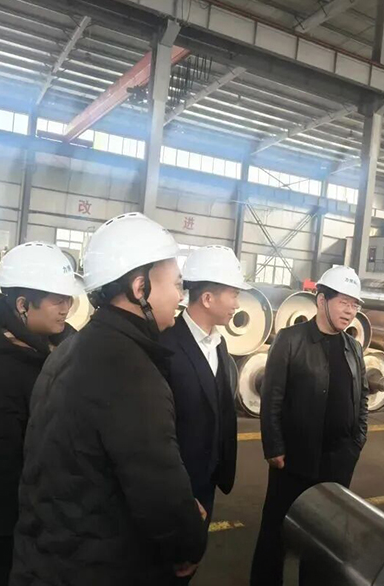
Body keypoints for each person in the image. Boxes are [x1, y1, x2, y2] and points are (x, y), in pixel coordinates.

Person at [10, 213, 207, 586]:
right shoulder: (129, 370)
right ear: (139, 288)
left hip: (49, 556)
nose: (180, 297)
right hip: (99, 566)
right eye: (176, 285)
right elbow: (156, 485)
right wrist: (188, 543)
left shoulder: (70, 350)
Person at [0, 242, 79, 586]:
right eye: (57, 300)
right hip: (6, 512)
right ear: (23, 305)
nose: (67, 308)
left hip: (45, 506)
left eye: (68, 298)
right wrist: (32, 513)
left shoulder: (57, 346)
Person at [251, 265, 369, 586]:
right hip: (292, 461)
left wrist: (357, 441)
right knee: (276, 533)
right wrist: (274, 446)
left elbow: (362, 398)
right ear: (321, 300)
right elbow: (272, 397)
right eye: (343, 302)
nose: (350, 311)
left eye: (354, 304)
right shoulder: (291, 340)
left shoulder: (353, 348)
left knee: (324, 539)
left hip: (337, 463)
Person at [161, 245, 248, 583]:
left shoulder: (218, 344)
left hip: (206, 481)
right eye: (234, 294)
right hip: (175, 486)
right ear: (208, 298)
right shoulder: (166, 346)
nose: (238, 303)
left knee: (190, 562)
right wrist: (175, 494)